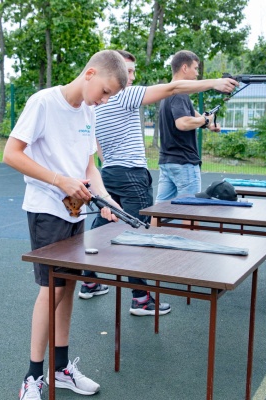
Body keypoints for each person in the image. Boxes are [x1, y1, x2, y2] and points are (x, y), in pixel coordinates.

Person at [3, 50, 128, 400]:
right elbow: (11, 154)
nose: (104, 100)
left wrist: (106, 198)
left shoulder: (88, 111)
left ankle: (60, 369)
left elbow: (89, 168)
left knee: (68, 286)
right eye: (105, 91)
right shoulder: (43, 102)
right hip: (46, 210)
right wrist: (60, 180)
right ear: (90, 74)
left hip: (76, 212)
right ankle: (32, 376)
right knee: (52, 290)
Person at [80, 50, 237, 316]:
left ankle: (89, 279)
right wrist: (215, 83)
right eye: (126, 71)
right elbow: (174, 87)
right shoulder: (124, 95)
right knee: (138, 233)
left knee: (103, 225)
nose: (130, 77)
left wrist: (110, 166)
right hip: (131, 174)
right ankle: (141, 299)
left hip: (110, 173)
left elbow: (96, 145)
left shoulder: (96, 102)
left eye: (132, 72)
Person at [155, 50, 223, 203]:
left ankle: (155, 222)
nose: (197, 73)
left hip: (168, 162)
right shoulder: (180, 94)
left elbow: (189, 113)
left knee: (160, 209)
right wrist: (204, 120)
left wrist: (208, 124)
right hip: (184, 163)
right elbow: (183, 123)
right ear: (184, 68)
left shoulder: (168, 92)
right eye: (195, 68)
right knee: (191, 209)